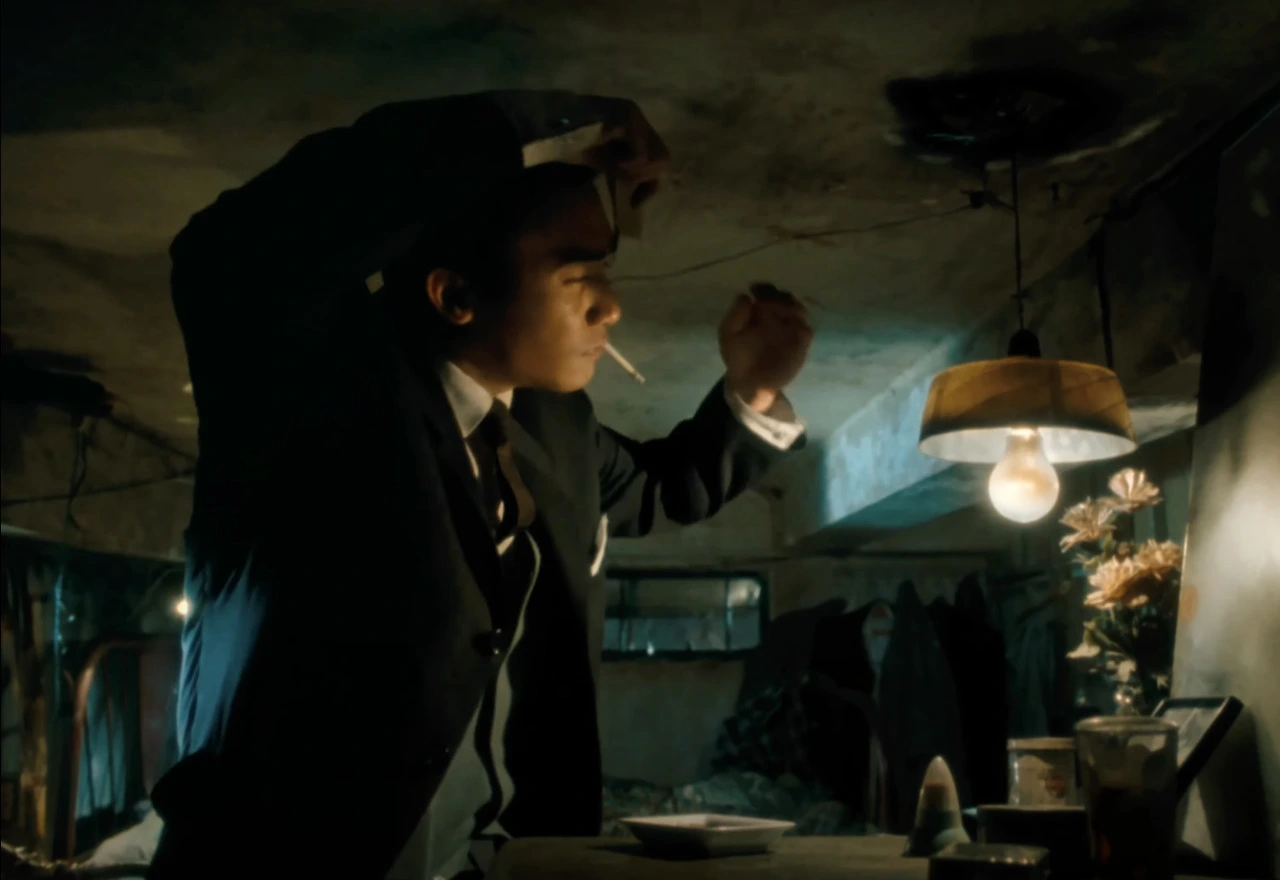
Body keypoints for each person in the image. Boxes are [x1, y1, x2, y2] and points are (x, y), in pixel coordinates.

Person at [148, 91, 813, 880]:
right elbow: (231, 250)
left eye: (606, 270)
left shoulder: (553, 425)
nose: (611, 307)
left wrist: (754, 390)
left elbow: (660, 489)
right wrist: (539, 131)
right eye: (578, 276)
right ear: (455, 295)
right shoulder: (313, 392)